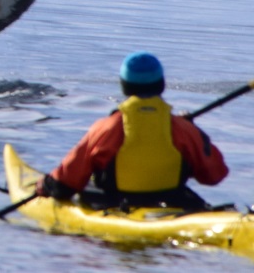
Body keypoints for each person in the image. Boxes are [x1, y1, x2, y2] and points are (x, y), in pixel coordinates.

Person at [35, 51, 228, 209]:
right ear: (161, 85)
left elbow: (67, 183)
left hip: (114, 205)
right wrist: (196, 132)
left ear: (124, 87)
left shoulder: (105, 128)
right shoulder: (184, 130)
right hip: (171, 203)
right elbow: (215, 175)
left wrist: (47, 185)